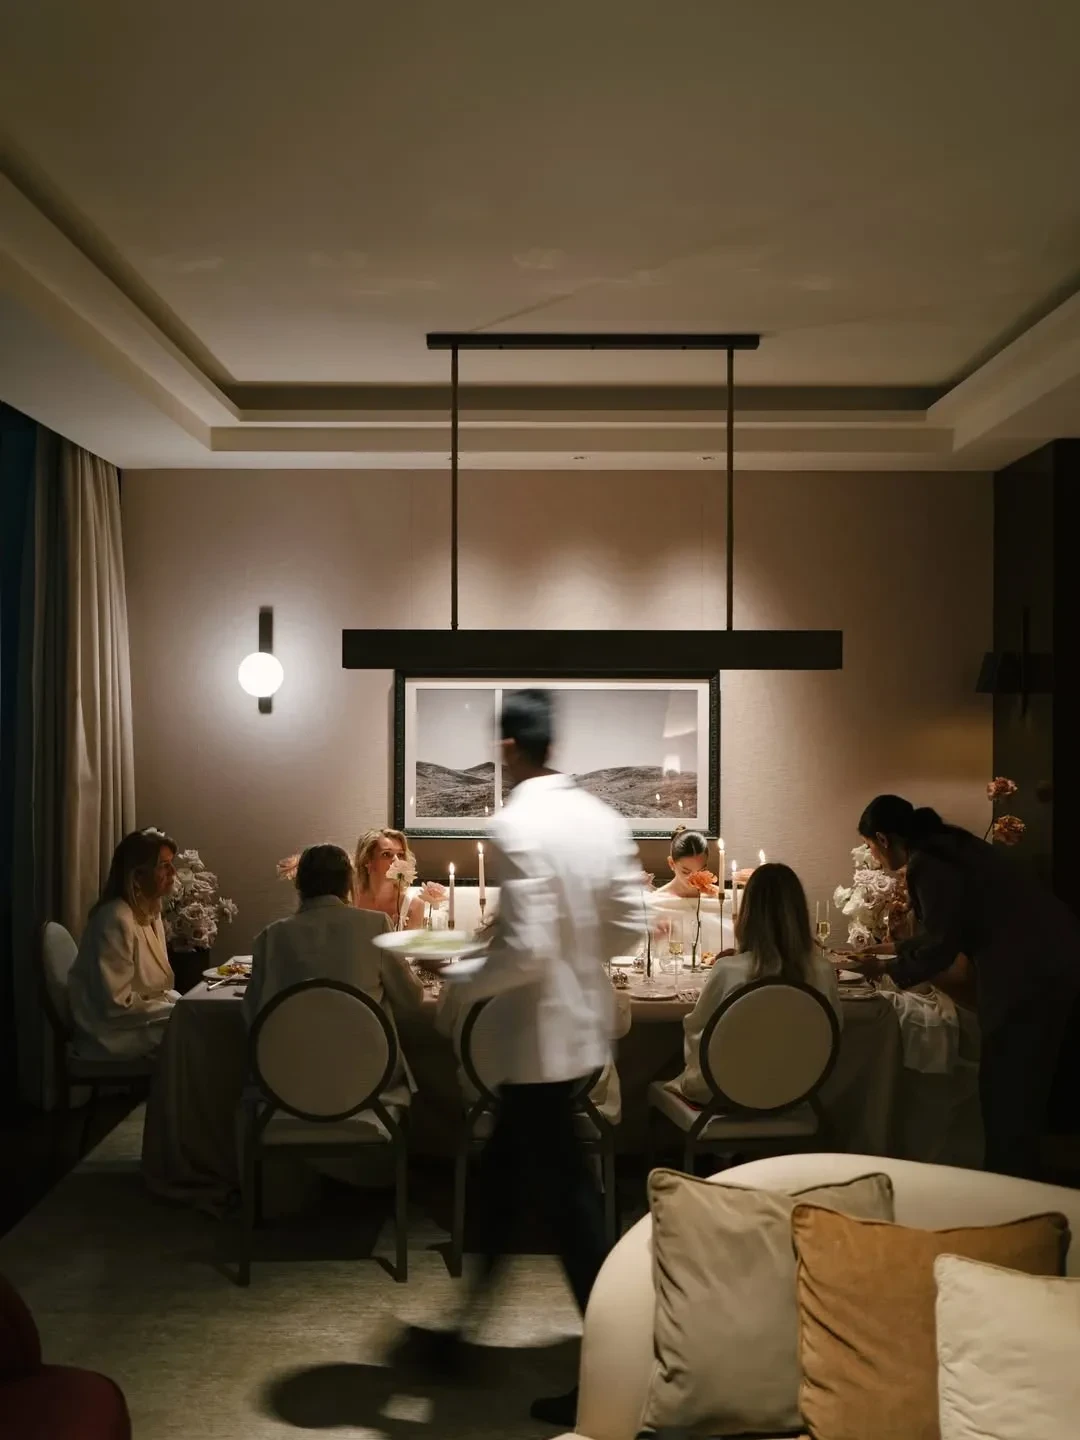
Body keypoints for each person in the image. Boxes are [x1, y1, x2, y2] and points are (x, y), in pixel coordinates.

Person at [406, 689, 642, 1428]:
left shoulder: (517, 823)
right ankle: (459, 1336)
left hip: (537, 1042)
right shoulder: (602, 819)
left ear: (509, 747)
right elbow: (628, 926)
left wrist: (458, 975)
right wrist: (578, 956)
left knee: (570, 1214)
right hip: (580, 1033)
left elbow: (525, 950)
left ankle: (624, 1364)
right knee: (509, 1190)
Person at [848, 795, 1080, 1179]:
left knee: (1007, 1086)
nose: (873, 856)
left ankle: (1010, 1185)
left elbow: (941, 948)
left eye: (871, 847)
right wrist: (895, 948)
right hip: (1052, 955)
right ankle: (1014, 1177)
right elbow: (948, 929)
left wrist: (884, 968)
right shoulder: (948, 846)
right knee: (1019, 1084)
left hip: (1029, 968)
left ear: (883, 839)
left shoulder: (928, 864)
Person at [244, 844, 423, 1106]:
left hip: (289, 1085)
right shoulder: (375, 926)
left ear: (299, 885)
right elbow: (412, 999)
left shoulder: (270, 937)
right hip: (366, 1081)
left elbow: (253, 1016)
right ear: (348, 883)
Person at [673, 862, 841, 1103]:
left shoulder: (727, 970)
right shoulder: (823, 971)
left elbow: (698, 1032)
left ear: (748, 912)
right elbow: (832, 1034)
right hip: (797, 1095)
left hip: (725, 1095)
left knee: (665, 1065)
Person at [68, 828, 180, 1060]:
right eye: (163, 865)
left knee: (202, 1023)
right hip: (111, 1033)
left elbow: (158, 990)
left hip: (136, 1021)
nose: (173, 872)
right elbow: (115, 1005)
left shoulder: (152, 912)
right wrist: (178, 1012)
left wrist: (186, 1006)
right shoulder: (115, 918)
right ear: (137, 877)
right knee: (195, 1034)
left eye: (171, 864)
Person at [352, 828, 424, 931]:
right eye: (386, 854)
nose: (396, 860)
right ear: (367, 861)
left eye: (400, 855)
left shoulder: (413, 905)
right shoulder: (350, 900)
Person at [653, 826, 720, 897]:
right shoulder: (658, 898)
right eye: (686, 872)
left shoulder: (717, 895)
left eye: (700, 871)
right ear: (671, 863)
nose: (693, 880)